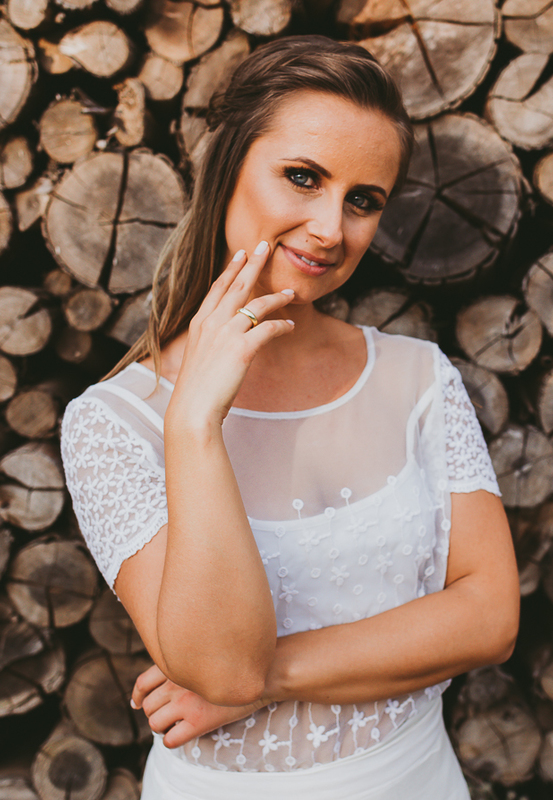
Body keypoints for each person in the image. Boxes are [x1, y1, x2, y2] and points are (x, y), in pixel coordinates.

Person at [58, 34, 519, 799]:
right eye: (302, 177)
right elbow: (221, 666)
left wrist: (275, 676)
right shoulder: (112, 424)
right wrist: (195, 425)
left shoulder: (417, 379)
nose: (332, 229)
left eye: (362, 200)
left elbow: (489, 616)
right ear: (227, 165)